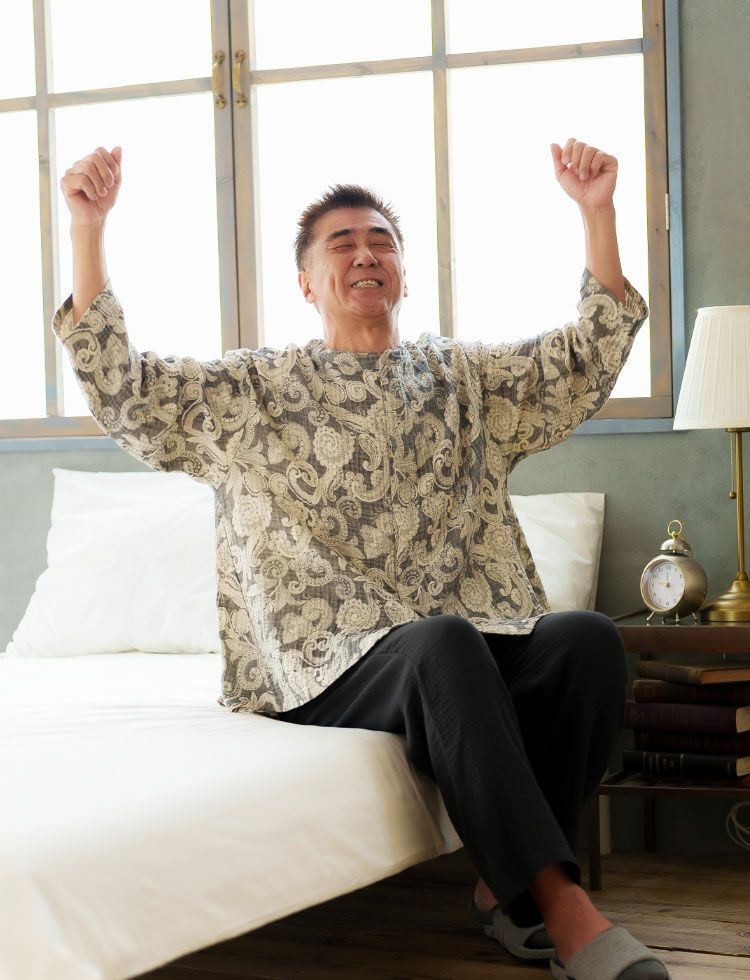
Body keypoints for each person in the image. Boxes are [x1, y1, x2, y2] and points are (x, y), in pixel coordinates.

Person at [55, 140, 670, 980]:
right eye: (340, 244)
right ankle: (563, 911)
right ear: (306, 285)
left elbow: (587, 357)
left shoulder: (465, 379)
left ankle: (503, 889)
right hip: (324, 663)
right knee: (441, 640)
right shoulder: (253, 392)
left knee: (587, 639)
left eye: (381, 241)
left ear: (403, 273)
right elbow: (124, 388)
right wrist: (88, 230)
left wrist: (598, 212)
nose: (365, 253)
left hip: (462, 640)